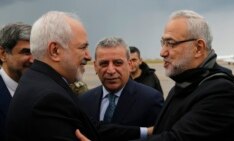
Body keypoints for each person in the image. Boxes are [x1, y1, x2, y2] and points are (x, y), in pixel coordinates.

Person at [77, 10, 234, 141]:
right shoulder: (187, 84)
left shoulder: (221, 92)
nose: (162, 52)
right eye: (163, 43)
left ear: (198, 48)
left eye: (171, 43)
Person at [5, 11, 101, 141]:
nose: (88, 56)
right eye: (82, 48)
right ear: (55, 51)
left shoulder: (37, 80)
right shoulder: (49, 99)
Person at [79, 37, 164, 127]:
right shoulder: (84, 101)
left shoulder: (150, 100)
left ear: (129, 65)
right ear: (95, 66)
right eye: (104, 64)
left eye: (118, 63)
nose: (111, 70)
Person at [0, 23, 33, 140]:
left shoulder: (42, 91)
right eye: (26, 52)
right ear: (3, 54)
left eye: (36, 52)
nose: (33, 59)